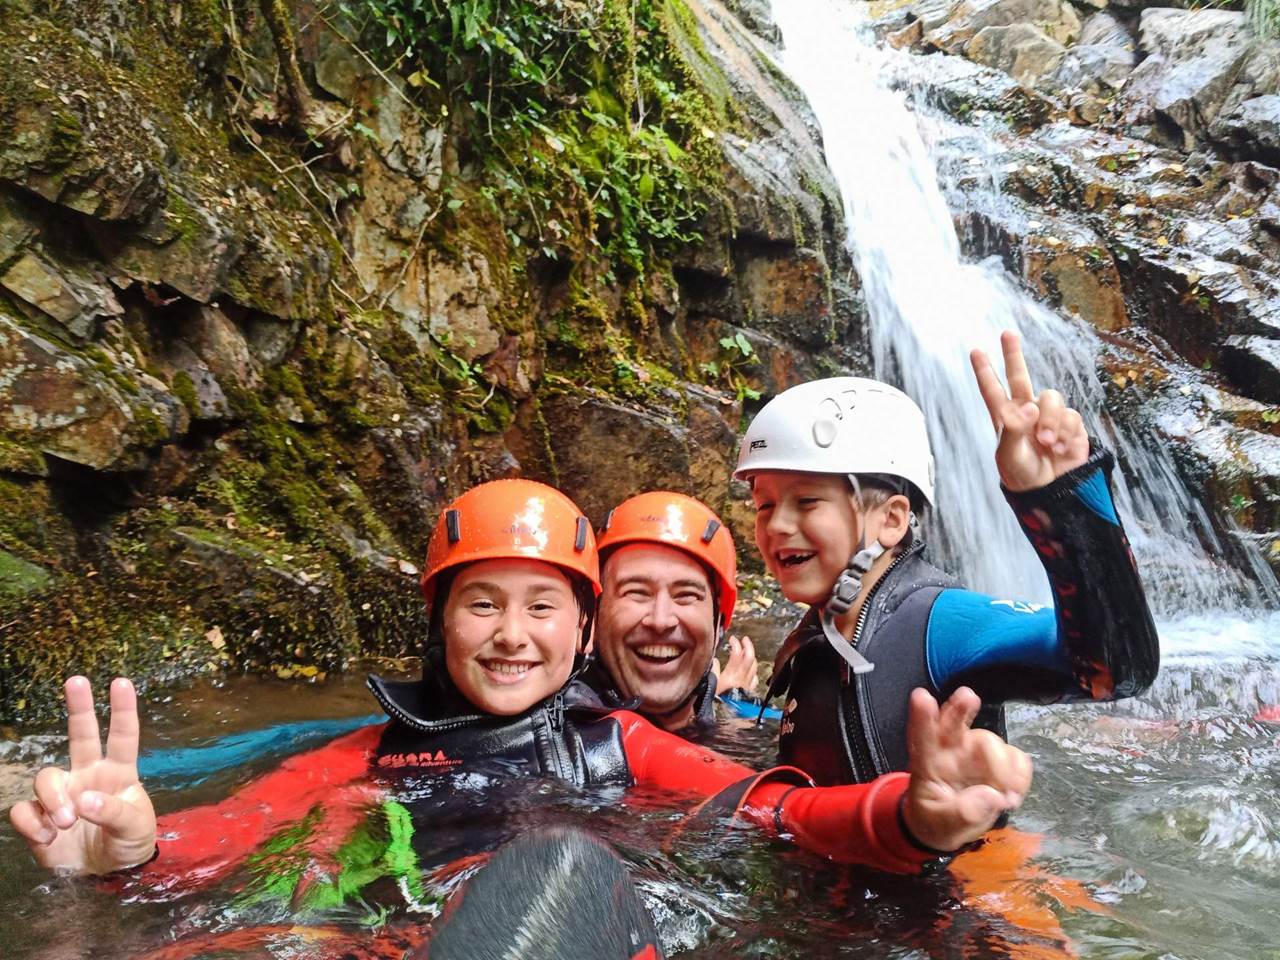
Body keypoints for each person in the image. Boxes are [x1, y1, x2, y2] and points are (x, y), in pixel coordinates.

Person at [9, 479, 1030, 897]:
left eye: (541, 608)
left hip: (585, 925)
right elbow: (224, 836)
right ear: (438, 622)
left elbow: (787, 815)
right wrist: (130, 855)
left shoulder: (619, 746)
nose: (509, 636)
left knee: (561, 879)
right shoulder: (364, 757)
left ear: (579, 631)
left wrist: (911, 816)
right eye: (479, 606)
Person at [735, 331, 1161, 785]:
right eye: (764, 505)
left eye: (806, 502)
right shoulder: (818, 635)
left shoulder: (939, 624)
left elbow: (1115, 672)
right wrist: (730, 704)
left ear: (891, 520)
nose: (776, 525)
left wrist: (1063, 504)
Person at [584, 490, 764, 732]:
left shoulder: (757, 725)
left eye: (686, 595)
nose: (661, 620)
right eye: (636, 592)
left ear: (718, 621)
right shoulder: (550, 733)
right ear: (594, 615)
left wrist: (724, 708)